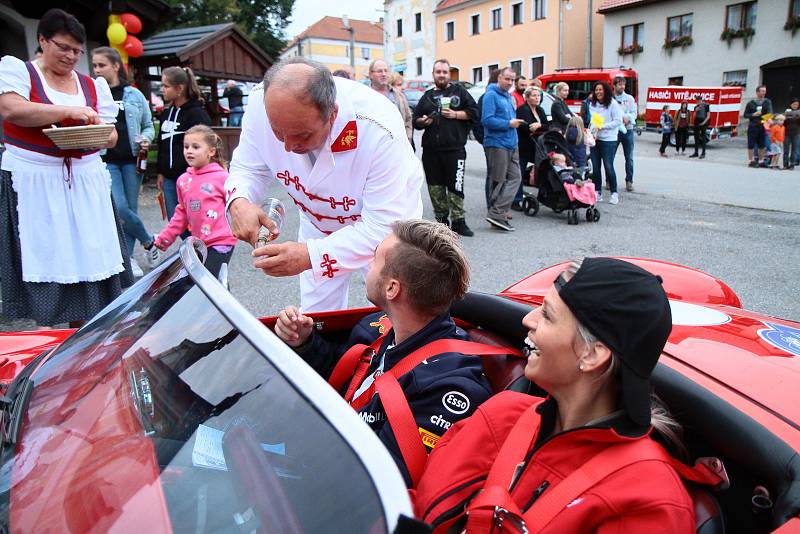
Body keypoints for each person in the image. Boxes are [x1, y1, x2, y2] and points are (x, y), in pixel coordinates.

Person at [414, 257, 722, 532]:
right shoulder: (501, 415)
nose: (528, 320)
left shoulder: (648, 500)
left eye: (547, 315)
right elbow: (417, 509)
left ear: (592, 355)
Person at [273, 219, 492, 486]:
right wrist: (305, 341)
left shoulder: (445, 387)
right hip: (321, 448)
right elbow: (343, 372)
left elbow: (379, 480)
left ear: (392, 288)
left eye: (374, 261)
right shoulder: (378, 327)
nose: (368, 268)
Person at [224, 58, 424, 312]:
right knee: (319, 317)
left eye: (302, 134)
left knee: (398, 312)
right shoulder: (258, 105)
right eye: (278, 132)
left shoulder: (378, 127)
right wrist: (239, 201)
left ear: (333, 114)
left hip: (385, 230)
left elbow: (381, 226)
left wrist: (310, 256)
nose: (288, 146)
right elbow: (248, 167)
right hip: (317, 224)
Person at [0, 8, 132, 327]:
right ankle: (48, 338)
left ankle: (88, 331)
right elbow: (11, 109)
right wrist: (68, 112)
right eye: (64, 47)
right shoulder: (18, 71)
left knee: (91, 251)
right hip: (35, 179)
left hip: (85, 179)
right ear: (43, 41)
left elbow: (112, 136)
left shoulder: (92, 85)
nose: (72, 56)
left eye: (77, 50)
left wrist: (94, 129)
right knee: (46, 252)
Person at [92, 46, 161, 278]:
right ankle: (149, 241)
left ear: (115, 66)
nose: (97, 70)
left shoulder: (134, 95)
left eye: (101, 65)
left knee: (129, 210)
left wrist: (146, 139)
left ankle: (128, 259)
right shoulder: (94, 94)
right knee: (119, 208)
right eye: (94, 65)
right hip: (106, 159)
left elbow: (148, 125)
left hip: (132, 159)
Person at [153, 125, 235, 276]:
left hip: (221, 241)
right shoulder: (183, 181)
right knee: (206, 284)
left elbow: (236, 207)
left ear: (211, 151)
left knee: (210, 281)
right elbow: (181, 213)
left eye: (196, 147)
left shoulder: (222, 177)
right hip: (199, 243)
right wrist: (165, 238)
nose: (189, 150)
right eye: (186, 146)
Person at [413, 58, 479, 236]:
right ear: (433, 74)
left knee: (456, 186)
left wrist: (456, 114)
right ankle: (442, 223)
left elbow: (475, 112)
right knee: (435, 188)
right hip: (431, 151)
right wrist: (423, 121)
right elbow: (415, 121)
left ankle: (459, 221)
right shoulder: (427, 96)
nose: (441, 75)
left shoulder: (460, 91)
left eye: (444, 72)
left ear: (449, 74)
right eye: (438, 72)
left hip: (454, 149)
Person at [156, 66, 212, 220]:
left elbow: (207, 145)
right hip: (169, 179)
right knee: (175, 221)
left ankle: (201, 245)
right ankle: (190, 244)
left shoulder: (196, 114)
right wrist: (160, 172)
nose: (162, 89)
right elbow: (162, 144)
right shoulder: (166, 113)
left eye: (166, 86)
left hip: (191, 177)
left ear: (179, 88)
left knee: (194, 220)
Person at [482, 66, 524, 231]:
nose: (510, 82)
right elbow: (487, 120)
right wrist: (508, 124)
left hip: (511, 143)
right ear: (499, 78)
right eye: (507, 79)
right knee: (498, 180)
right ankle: (496, 214)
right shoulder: (490, 95)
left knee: (516, 178)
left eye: (512, 80)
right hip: (496, 144)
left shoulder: (508, 96)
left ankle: (498, 211)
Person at [514, 86, 549, 209]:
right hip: (524, 145)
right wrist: (533, 127)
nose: (537, 98)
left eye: (538, 95)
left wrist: (539, 125)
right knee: (519, 172)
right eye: (534, 96)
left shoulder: (540, 110)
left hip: (538, 146)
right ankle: (516, 199)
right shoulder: (522, 110)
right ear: (527, 98)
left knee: (544, 169)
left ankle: (544, 195)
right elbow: (524, 126)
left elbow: (546, 126)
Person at [588, 81, 622, 204]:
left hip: (609, 140)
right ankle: (597, 192)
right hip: (596, 139)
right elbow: (594, 120)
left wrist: (603, 126)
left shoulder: (613, 104)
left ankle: (614, 193)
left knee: (608, 166)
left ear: (606, 91)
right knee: (596, 168)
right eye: (596, 90)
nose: (598, 92)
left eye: (600, 90)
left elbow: (618, 121)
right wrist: (591, 131)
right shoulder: (593, 104)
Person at [368, 59, 413, 145]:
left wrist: (407, 140)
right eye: (379, 71)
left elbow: (408, 119)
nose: (384, 74)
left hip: (396, 145)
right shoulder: (364, 96)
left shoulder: (399, 95)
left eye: (386, 71)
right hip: (373, 147)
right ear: (371, 75)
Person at [613, 76, 637, 193]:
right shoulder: (611, 98)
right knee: (610, 157)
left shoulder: (629, 98)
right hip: (615, 131)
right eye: (620, 84)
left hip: (628, 130)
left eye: (623, 84)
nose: (622, 87)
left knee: (629, 158)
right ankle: (609, 180)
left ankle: (629, 181)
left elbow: (634, 113)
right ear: (614, 85)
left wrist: (629, 118)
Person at [744, 85, 772, 167]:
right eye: (762, 91)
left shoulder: (767, 102)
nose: (764, 92)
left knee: (762, 145)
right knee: (751, 144)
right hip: (753, 125)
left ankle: (761, 161)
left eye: (765, 91)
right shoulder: (751, 103)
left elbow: (769, 113)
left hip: (762, 125)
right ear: (757, 92)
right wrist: (753, 114)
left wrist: (768, 119)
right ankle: (751, 161)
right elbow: (745, 115)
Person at [690, 94, 710, 160]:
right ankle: (696, 152)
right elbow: (694, 117)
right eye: (696, 101)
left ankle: (703, 153)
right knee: (696, 137)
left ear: (701, 100)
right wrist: (696, 111)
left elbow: (708, 116)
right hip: (696, 122)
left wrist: (703, 123)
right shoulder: (696, 107)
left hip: (703, 122)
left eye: (698, 101)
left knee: (703, 138)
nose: (697, 102)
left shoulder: (706, 106)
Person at [784, 98, 800, 170]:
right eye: (794, 104)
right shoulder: (787, 111)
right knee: (786, 149)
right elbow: (783, 123)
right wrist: (785, 117)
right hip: (787, 133)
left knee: (794, 149)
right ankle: (785, 164)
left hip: (796, 133)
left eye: (797, 104)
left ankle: (792, 164)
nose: (795, 106)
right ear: (791, 104)